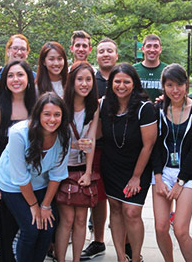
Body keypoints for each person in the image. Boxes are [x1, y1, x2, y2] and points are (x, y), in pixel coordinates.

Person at [0, 92, 70, 262]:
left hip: (40, 183)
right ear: (38, 114)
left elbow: (57, 175)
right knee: (31, 228)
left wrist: (45, 206)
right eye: (47, 114)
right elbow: (20, 177)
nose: (52, 119)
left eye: (57, 115)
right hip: (13, 184)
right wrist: (34, 206)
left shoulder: (64, 135)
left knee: (48, 227)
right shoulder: (18, 134)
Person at [98, 63, 157, 262]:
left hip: (136, 168)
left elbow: (148, 146)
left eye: (126, 82)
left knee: (131, 212)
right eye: (117, 81)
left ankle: (136, 257)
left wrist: (136, 177)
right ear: (111, 83)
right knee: (114, 208)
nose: (121, 86)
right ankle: (121, 258)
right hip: (111, 166)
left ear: (134, 84)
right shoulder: (104, 103)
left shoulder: (144, 108)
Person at [150, 64, 192, 262]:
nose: (175, 90)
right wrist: (158, 176)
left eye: (179, 84)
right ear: (163, 87)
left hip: (188, 176)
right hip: (163, 172)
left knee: (181, 230)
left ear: (186, 85)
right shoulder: (158, 108)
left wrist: (180, 181)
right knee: (160, 227)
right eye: (170, 85)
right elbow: (154, 144)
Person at [0, 60, 37, 262]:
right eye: (11, 75)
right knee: (6, 227)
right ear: (4, 80)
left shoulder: (36, 105)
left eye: (20, 75)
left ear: (28, 78)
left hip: (31, 178)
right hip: (4, 177)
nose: (16, 80)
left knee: (29, 226)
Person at [54, 62, 101, 262]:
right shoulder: (59, 105)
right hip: (61, 168)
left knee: (81, 219)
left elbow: (90, 142)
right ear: (72, 81)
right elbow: (52, 141)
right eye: (80, 79)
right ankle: (61, 259)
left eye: (88, 79)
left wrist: (89, 172)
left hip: (82, 168)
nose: (84, 83)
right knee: (67, 219)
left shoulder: (93, 106)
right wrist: (73, 146)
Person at [80, 37, 118, 260]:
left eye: (110, 51)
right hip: (93, 144)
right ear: (97, 54)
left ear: (116, 55)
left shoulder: (122, 77)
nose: (105, 54)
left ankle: (122, 241)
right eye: (102, 50)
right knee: (96, 196)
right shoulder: (89, 79)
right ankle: (98, 240)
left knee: (116, 199)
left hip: (119, 147)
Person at [133, 34, 168, 101]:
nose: (152, 50)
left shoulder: (168, 70)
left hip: (161, 110)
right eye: (148, 46)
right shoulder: (133, 70)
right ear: (143, 49)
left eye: (156, 46)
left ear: (160, 49)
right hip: (139, 110)